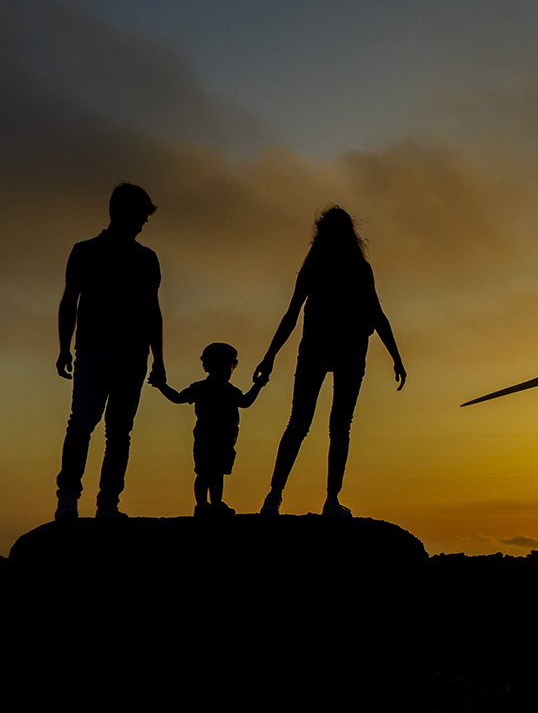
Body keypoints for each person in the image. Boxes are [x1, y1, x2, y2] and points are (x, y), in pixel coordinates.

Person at [254, 206, 405, 517]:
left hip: (332, 351)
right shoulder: (339, 269)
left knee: (307, 424)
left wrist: (396, 356)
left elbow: (374, 314)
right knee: (327, 426)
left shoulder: (334, 268)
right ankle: (312, 498)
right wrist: (269, 357)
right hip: (333, 351)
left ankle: (284, 496)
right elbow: (294, 315)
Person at [55, 183, 166, 520]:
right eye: (141, 218)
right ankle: (69, 500)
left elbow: (152, 311)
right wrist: (64, 348)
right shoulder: (84, 251)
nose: (142, 225)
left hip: (131, 355)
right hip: (95, 350)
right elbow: (69, 302)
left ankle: (106, 504)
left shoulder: (146, 258)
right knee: (85, 422)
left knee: (116, 430)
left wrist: (158, 359)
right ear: (124, 214)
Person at [151, 342, 267, 516]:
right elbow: (178, 398)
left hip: (226, 440)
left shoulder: (230, 390)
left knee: (218, 472)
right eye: (221, 366)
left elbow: (245, 402)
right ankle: (202, 505)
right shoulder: (201, 388)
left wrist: (258, 385)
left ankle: (215, 504)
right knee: (205, 472)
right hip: (206, 438)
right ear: (208, 367)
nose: (226, 370)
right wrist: (161, 385)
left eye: (229, 366)